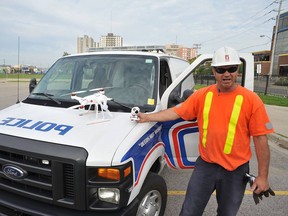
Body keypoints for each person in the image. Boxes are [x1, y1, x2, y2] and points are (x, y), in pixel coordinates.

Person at [137, 46, 274, 216]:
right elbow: (176, 111)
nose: (226, 74)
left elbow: (261, 139)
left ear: (237, 70)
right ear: (214, 71)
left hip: (235, 169)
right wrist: (148, 117)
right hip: (206, 166)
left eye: (232, 69)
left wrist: (262, 177)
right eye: (221, 69)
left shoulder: (252, 100)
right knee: (189, 212)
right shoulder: (202, 95)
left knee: (227, 213)